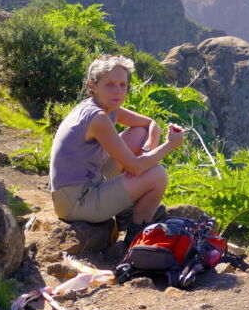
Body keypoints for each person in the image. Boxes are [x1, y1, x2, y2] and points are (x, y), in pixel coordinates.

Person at [49, 54, 186, 243]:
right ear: (92, 86)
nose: (118, 91)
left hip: (86, 182)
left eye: (122, 84)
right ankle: (135, 235)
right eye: (110, 84)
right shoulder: (98, 118)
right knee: (157, 175)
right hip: (76, 202)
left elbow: (150, 124)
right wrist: (171, 145)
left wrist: (147, 148)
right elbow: (136, 168)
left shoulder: (105, 108)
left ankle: (125, 212)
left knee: (138, 134)